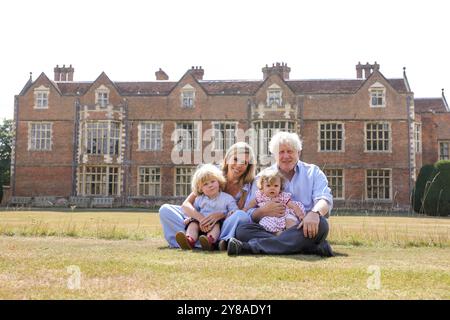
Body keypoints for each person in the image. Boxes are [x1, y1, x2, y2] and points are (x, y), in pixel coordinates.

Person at [228, 131, 334, 257]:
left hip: (302, 227)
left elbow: (324, 199)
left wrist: (314, 213)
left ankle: (251, 247)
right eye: (281, 152)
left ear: (298, 153)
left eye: (290, 151)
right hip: (270, 229)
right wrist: (262, 211)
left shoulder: (313, 172)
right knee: (242, 230)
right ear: (274, 155)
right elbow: (250, 213)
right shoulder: (261, 178)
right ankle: (310, 247)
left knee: (321, 224)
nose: (285, 156)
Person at [158, 142, 256, 250]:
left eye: (244, 163)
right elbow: (186, 204)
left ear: (248, 166)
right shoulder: (212, 174)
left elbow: (236, 212)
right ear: (228, 158)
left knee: (241, 215)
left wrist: (220, 216)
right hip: (201, 217)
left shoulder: (247, 186)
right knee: (165, 209)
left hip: (222, 225)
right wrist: (201, 218)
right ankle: (190, 240)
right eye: (235, 159)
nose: (238, 165)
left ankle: (219, 241)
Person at [175, 164, 239, 250]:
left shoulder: (227, 198)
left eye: (213, 181)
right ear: (200, 189)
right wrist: (190, 218)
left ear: (219, 182)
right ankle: (189, 240)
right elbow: (195, 211)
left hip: (216, 222)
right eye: (205, 184)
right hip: (201, 223)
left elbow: (234, 210)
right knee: (193, 224)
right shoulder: (199, 199)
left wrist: (231, 212)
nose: (210, 185)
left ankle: (210, 241)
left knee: (216, 225)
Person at [243, 167, 305, 235]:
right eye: (268, 185)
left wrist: (300, 215)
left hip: (284, 215)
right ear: (262, 187)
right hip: (269, 217)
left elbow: (293, 205)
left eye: (276, 186)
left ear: (280, 187)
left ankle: (292, 234)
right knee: (264, 223)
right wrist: (244, 210)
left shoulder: (282, 196)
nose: (272, 188)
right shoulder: (260, 196)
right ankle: (278, 234)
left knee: (290, 220)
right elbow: (251, 204)